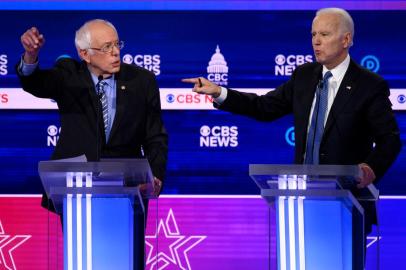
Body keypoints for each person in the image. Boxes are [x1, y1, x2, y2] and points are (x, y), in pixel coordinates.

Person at [183, 6, 401, 255]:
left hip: (348, 203)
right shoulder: (304, 76)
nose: (316, 41)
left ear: (346, 39)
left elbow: (390, 140)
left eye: (325, 35)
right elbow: (264, 107)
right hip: (301, 202)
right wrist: (220, 93)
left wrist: (370, 168)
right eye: (313, 34)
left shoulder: (369, 85)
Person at [17, 19, 168, 269]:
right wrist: (30, 55)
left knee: (128, 259)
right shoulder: (68, 77)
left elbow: (155, 136)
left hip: (130, 189)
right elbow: (33, 82)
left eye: (117, 44)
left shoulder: (143, 81)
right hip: (77, 189)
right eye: (106, 47)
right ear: (84, 54)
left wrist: (156, 175)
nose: (116, 52)